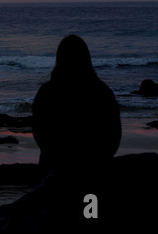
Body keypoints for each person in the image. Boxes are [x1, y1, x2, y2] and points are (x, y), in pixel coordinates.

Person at [32, 35, 121, 174]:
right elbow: (114, 134)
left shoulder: (47, 92)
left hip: (53, 167)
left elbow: (39, 132)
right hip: (95, 168)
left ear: (59, 58)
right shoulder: (101, 91)